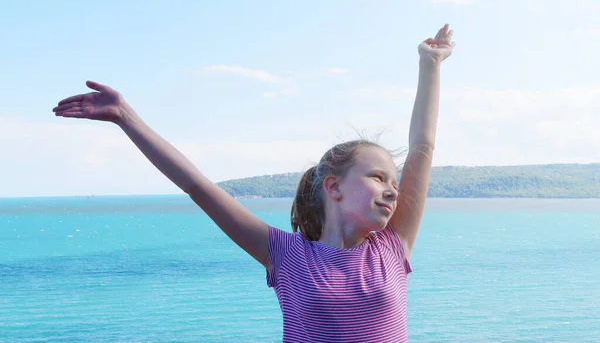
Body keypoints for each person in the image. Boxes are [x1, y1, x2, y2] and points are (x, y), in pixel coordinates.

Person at [53, 24, 455, 342]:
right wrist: (126, 117)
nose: (392, 190)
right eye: (377, 177)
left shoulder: (392, 246)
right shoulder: (286, 255)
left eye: (394, 182)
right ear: (333, 187)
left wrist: (430, 65)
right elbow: (198, 187)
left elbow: (423, 147)